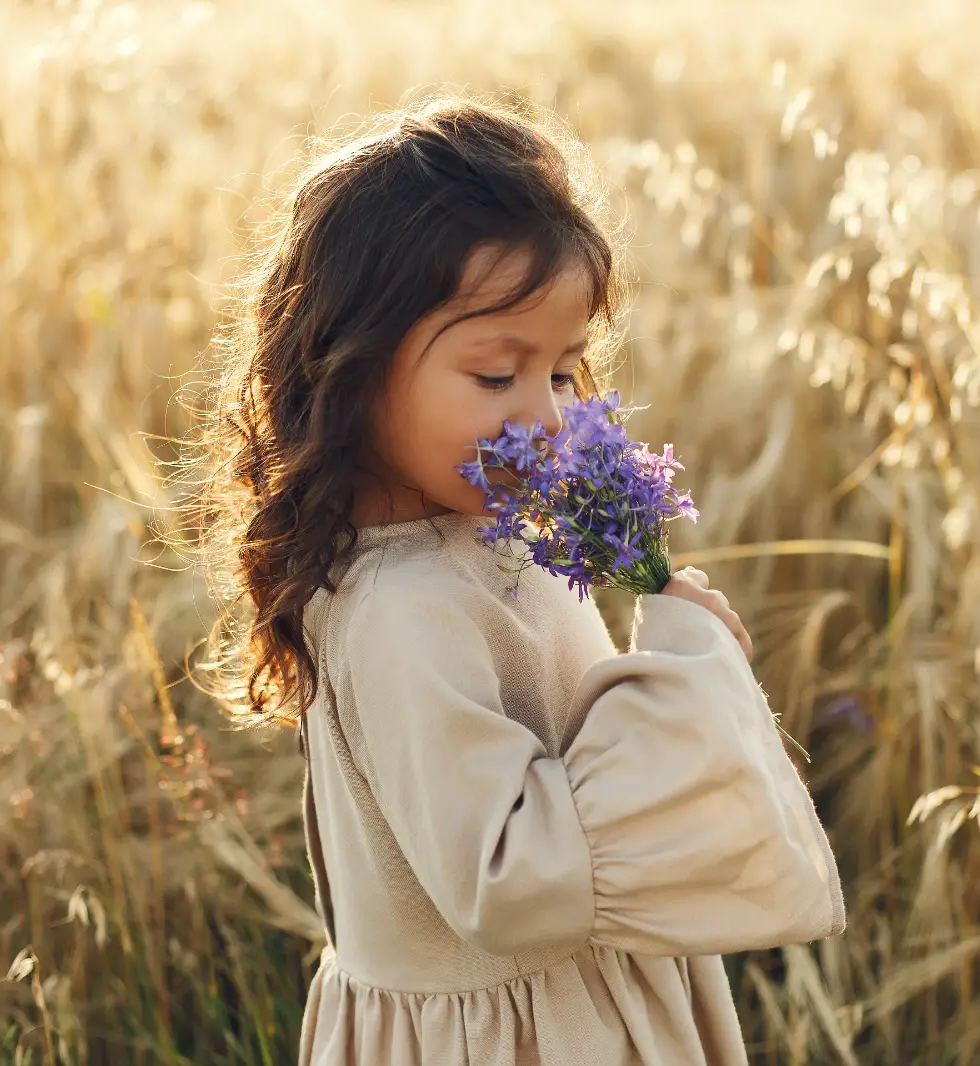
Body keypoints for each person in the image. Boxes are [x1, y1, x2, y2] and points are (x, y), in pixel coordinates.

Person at [196, 94, 845, 1065]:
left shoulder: (493, 538)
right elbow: (512, 880)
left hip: (578, 1001)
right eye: (498, 377)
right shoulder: (397, 612)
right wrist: (671, 688)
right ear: (351, 371)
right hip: (517, 1034)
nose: (543, 417)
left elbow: (564, 748)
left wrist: (675, 656)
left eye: (565, 372)